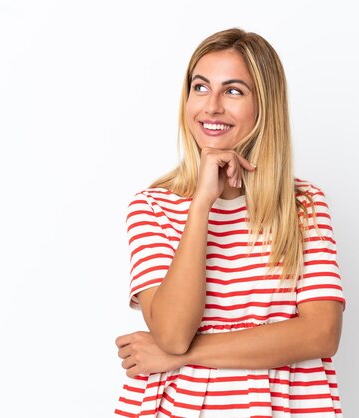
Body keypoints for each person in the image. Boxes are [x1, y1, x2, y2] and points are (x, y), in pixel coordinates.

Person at [114, 27, 346, 417]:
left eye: (234, 91)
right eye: (201, 87)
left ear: (264, 105)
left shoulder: (302, 205)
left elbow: (320, 334)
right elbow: (172, 333)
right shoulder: (152, 207)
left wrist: (179, 356)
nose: (212, 107)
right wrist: (201, 204)